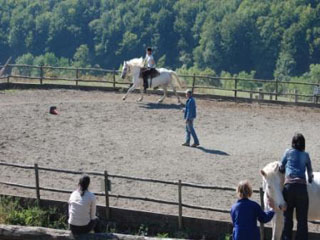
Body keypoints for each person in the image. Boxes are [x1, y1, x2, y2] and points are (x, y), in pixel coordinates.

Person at [279, 133, 313, 240]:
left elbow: (281, 167)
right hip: (301, 189)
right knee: (302, 220)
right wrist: (310, 179)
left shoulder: (288, 152)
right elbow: (310, 173)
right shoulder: (306, 155)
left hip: (289, 188)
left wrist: (283, 170)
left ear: (292, 143)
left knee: (287, 219)